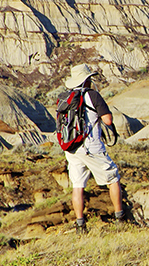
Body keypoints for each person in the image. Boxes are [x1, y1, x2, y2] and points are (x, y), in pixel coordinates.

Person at [62, 64, 124, 232]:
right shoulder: (92, 95)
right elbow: (108, 121)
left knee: (78, 185)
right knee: (112, 177)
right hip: (91, 146)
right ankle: (120, 219)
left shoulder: (65, 97)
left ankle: (80, 224)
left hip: (72, 148)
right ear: (86, 80)